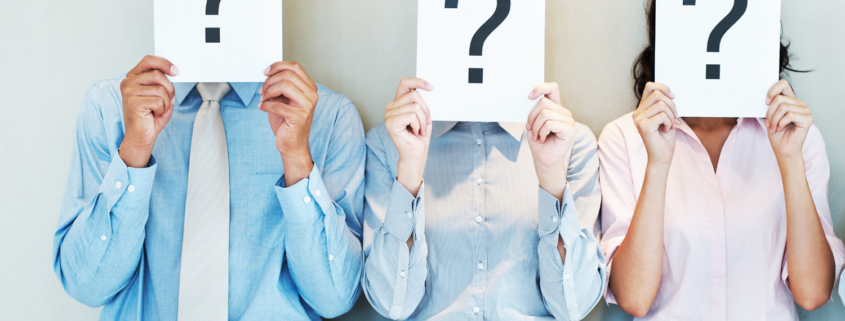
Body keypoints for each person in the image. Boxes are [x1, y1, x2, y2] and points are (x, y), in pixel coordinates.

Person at [52, 56, 366, 320]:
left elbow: (334, 298)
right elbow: (87, 285)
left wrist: (297, 158)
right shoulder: (109, 108)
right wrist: (134, 149)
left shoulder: (328, 117)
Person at [598, 1, 845, 319]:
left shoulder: (799, 138)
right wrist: (657, 165)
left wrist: (790, 160)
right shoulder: (624, 138)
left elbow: (813, 293)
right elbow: (634, 298)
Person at [361, 78, 607, 320]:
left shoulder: (570, 141)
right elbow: (393, 305)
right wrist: (410, 168)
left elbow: (573, 307)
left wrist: (552, 173)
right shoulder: (388, 142)